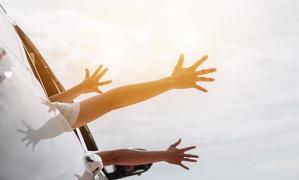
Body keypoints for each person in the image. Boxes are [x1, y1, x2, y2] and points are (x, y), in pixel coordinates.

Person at [48, 54, 217, 129]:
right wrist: (171, 82)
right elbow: (111, 100)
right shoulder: (40, 117)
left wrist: (81, 88)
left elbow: (46, 103)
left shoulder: (35, 110)